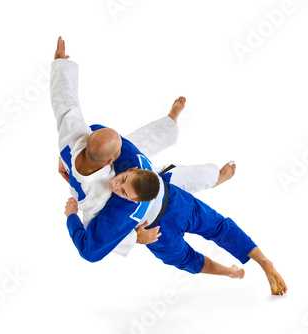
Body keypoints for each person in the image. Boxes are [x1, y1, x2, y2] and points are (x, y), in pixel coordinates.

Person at [56, 36, 288, 295]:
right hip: (164, 209)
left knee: (210, 214)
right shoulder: (129, 158)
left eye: (122, 188)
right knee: (187, 250)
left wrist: (73, 217)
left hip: (165, 212)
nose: (114, 184)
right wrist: (75, 155)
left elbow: (89, 249)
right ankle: (229, 271)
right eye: (121, 183)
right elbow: (96, 136)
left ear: (133, 191)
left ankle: (263, 261)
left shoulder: (122, 207)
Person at [51, 36, 235, 256]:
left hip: (132, 176)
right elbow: (95, 241)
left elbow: (64, 101)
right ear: (110, 161)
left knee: (136, 143)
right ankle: (213, 178)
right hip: (140, 206)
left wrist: (60, 65)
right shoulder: (99, 198)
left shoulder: (74, 134)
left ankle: (170, 125)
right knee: (179, 179)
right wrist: (133, 238)